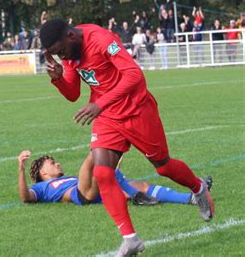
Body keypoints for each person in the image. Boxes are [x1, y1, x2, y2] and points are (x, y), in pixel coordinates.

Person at [39, 19, 214, 256]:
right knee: (102, 173)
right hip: (108, 117)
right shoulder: (69, 54)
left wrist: (100, 103)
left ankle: (198, 188)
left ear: (70, 35)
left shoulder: (101, 40)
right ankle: (130, 238)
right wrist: (58, 78)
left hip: (137, 110)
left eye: (61, 51)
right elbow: (73, 94)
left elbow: (134, 75)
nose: (62, 57)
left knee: (163, 167)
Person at [18, 151, 212, 206]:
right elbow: (26, 197)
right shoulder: (43, 187)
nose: (57, 163)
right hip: (81, 194)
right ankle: (133, 194)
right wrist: (21, 168)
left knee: (143, 185)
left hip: (94, 192)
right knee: (94, 154)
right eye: (52, 163)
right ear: (43, 174)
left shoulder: (69, 177)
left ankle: (191, 198)